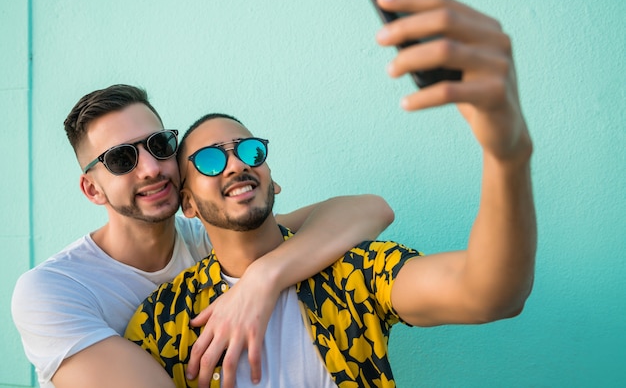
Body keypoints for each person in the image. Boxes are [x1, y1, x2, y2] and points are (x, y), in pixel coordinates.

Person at [124, 0, 537, 388]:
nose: (236, 164)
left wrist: (508, 156)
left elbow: (490, 293)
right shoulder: (166, 319)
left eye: (251, 152)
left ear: (273, 180)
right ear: (189, 204)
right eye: (211, 160)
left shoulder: (348, 272)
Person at [11, 84, 395, 388]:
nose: (150, 168)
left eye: (159, 146)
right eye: (122, 159)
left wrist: (262, 279)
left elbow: (369, 210)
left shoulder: (216, 242)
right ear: (93, 190)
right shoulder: (53, 291)